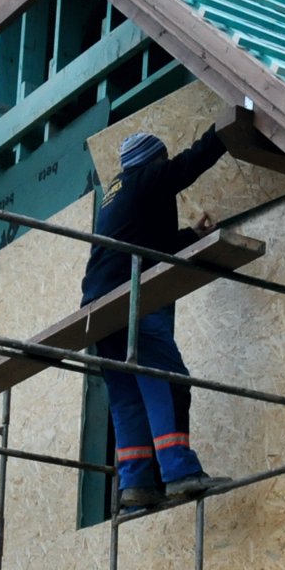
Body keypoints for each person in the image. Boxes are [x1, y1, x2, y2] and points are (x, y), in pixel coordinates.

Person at [80, 127, 230, 509]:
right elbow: (188, 164)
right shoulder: (145, 177)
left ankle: (136, 485)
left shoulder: (118, 195)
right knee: (169, 381)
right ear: (153, 160)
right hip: (131, 300)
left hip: (99, 309)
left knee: (127, 396)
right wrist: (225, 132)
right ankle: (179, 472)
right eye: (162, 161)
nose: (165, 169)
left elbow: (153, 248)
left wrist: (191, 235)